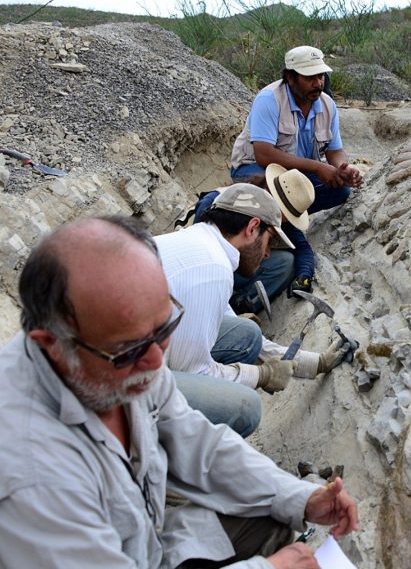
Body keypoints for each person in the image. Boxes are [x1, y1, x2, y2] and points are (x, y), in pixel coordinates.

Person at [0, 215, 358, 567]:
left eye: (163, 328)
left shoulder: (119, 362)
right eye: (130, 349)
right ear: (52, 346)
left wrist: (301, 497)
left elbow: (198, 441)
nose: (157, 362)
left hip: (150, 542)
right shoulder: (30, 476)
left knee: (272, 509)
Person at [156, 184, 348, 434]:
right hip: (110, 388)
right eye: (270, 241)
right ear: (252, 228)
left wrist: (314, 364)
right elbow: (195, 371)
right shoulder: (212, 270)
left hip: (122, 351)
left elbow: (232, 324)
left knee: (246, 334)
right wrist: (261, 375)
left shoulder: (200, 242)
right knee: (246, 409)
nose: (268, 253)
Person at [230, 45, 363, 215]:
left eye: (320, 76)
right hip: (252, 168)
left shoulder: (327, 104)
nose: (318, 84)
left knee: (340, 191)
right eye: (310, 78)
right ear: (290, 77)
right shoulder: (269, 99)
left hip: (297, 172)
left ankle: (284, 218)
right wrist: (317, 168)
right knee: (282, 193)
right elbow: (264, 155)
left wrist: (343, 168)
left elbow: (335, 150)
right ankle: (276, 222)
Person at [194, 164, 318, 315]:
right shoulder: (220, 201)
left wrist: (304, 275)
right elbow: (199, 254)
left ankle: (241, 307)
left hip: (234, 267)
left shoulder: (278, 218)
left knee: (286, 262)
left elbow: (302, 248)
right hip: (202, 268)